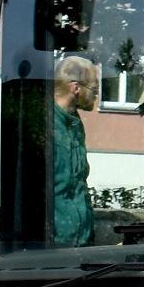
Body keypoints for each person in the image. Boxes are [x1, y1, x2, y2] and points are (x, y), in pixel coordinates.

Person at [47, 54, 99, 246]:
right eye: (94, 89)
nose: (96, 95)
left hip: (81, 242)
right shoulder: (46, 123)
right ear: (75, 88)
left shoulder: (74, 124)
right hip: (54, 245)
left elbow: (78, 183)